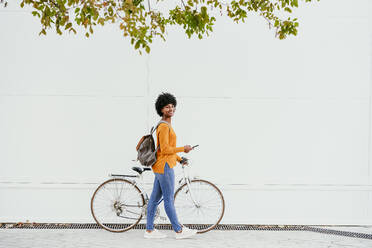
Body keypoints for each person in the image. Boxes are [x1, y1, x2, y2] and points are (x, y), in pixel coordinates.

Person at [144, 92, 198, 239]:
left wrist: (180, 159)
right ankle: (178, 230)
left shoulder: (166, 125)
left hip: (162, 165)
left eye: (172, 106)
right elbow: (165, 149)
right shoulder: (163, 126)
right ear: (161, 109)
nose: (171, 109)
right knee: (168, 199)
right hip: (165, 167)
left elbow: (165, 150)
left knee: (155, 200)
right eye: (167, 106)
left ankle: (149, 230)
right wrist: (183, 148)